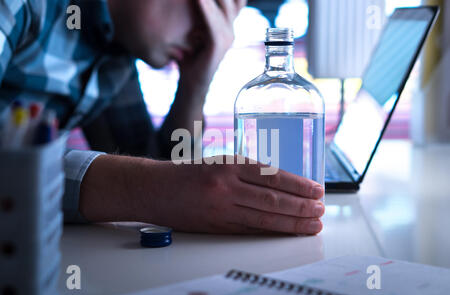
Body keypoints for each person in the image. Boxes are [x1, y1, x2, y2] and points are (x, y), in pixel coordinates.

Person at [0, 0, 325, 235]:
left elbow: (159, 171)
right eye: (210, 8)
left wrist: (196, 83)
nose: (210, 37)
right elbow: (157, 187)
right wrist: (148, 189)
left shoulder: (113, 59)